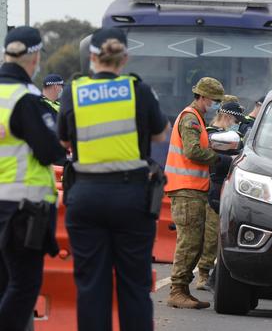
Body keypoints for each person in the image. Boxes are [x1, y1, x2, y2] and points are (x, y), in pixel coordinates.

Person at [58, 27, 169, 331]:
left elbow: (64, 142)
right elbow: (161, 133)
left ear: (92, 57)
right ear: (125, 58)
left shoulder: (74, 91)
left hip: (86, 196)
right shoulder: (138, 90)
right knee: (134, 285)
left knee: (92, 285)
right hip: (132, 197)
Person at [0, 26, 65, 331]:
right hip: (21, 210)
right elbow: (50, 150)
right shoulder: (26, 98)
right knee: (24, 286)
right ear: (35, 56)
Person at [165, 77, 230, 308]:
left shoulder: (196, 118)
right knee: (189, 242)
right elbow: (192, 151)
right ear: (202, 97)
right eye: (214, 100)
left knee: (194, 241)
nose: (215, 105)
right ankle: (177, 290)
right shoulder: (191, 118)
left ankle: (182, 289)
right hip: (186, 189)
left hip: (191, 189)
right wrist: (219, 159)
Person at [196, 101, 245, 291]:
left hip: (231, 188)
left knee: (224, 234)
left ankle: (214, 275)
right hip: (213, 186)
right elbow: (213, 161)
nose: (236, 123)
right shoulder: (210, 134)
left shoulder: (236, 135)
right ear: (226, 116)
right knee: (211, 234)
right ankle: (203, 274)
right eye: (234, 119)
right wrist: (230, 160)